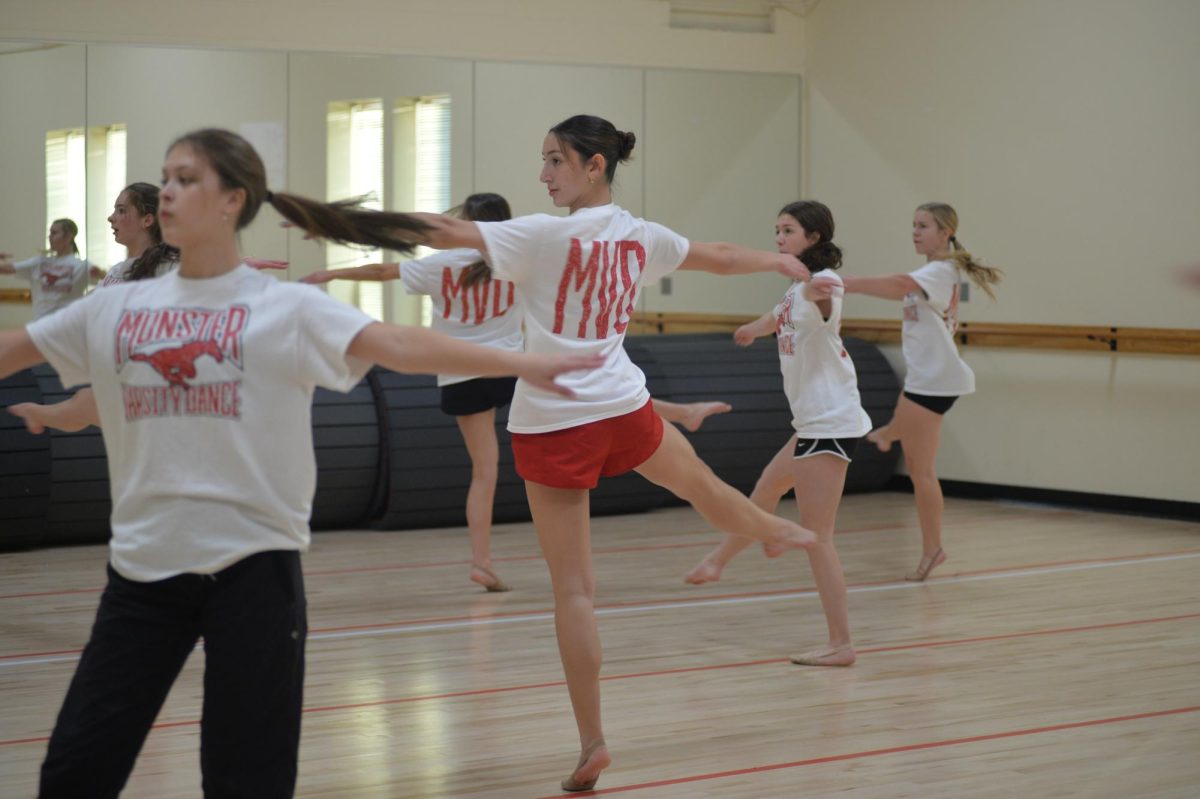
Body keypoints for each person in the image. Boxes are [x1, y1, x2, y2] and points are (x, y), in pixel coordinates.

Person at [0, 127, 601, 799]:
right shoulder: (114, 306)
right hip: (142, 574)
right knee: (75, 770)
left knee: (247, 778)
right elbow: (17, 350)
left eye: (186, 178)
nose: (167, 190)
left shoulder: (283, 307)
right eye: (165, 177)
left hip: (255, 575)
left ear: (234, 200)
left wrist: (526, 362)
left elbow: (402, 342)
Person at [275, 114, 818, 793]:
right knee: (705, 489)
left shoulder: (541, 233)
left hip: (554, 418)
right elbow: (721, 254)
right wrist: (778, 261)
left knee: (575, 592)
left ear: (595, 165)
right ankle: (776, 529)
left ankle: (593, 740)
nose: (543, 174)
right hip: (622, 404)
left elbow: (437, 232)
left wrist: (331, 217)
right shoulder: (641, 235)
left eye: (555, 160)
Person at [301, 192, 731, 592]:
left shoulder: (444, 263)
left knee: (484, 471)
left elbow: (381, 270)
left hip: (462, 373)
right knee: (598, 395)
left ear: (470, 223)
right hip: (512, 365)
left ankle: (481, 560)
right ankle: (680, 411)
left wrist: (331, 272)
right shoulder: (519, 257)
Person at [684, 201, 870, 667]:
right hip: (811, 423)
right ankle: (719, 561)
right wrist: (754, 328)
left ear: (813, 238)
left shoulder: (818, 288)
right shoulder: (792, 292)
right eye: (777, 231)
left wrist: (824, 281)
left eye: (788, 231)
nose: (779, 239)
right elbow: (778, 316)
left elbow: (822, 292)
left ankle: (841, 643)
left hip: (829, 422)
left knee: (819, 537)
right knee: (765, 490)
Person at [822, 202, 1002, 581]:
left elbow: (899, 283)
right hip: (926, 380)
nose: (915, 232)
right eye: (914, 225)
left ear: (945, 233)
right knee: (914, 457)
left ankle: (932, 548)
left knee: (921, 472)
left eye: (924, 226)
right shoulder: (932, 271)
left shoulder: (939, 270)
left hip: (936, 380)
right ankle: (889, 433)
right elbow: (902, 286)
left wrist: (848, 283)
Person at [0, 218, 92, 318]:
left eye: (54, 233)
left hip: (69, 326)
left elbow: (106, 280)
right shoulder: (39, 262)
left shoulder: (82, 265)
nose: (49, 236)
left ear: (69, 236)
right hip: (40, 325)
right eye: (50, 233)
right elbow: (5, 269)